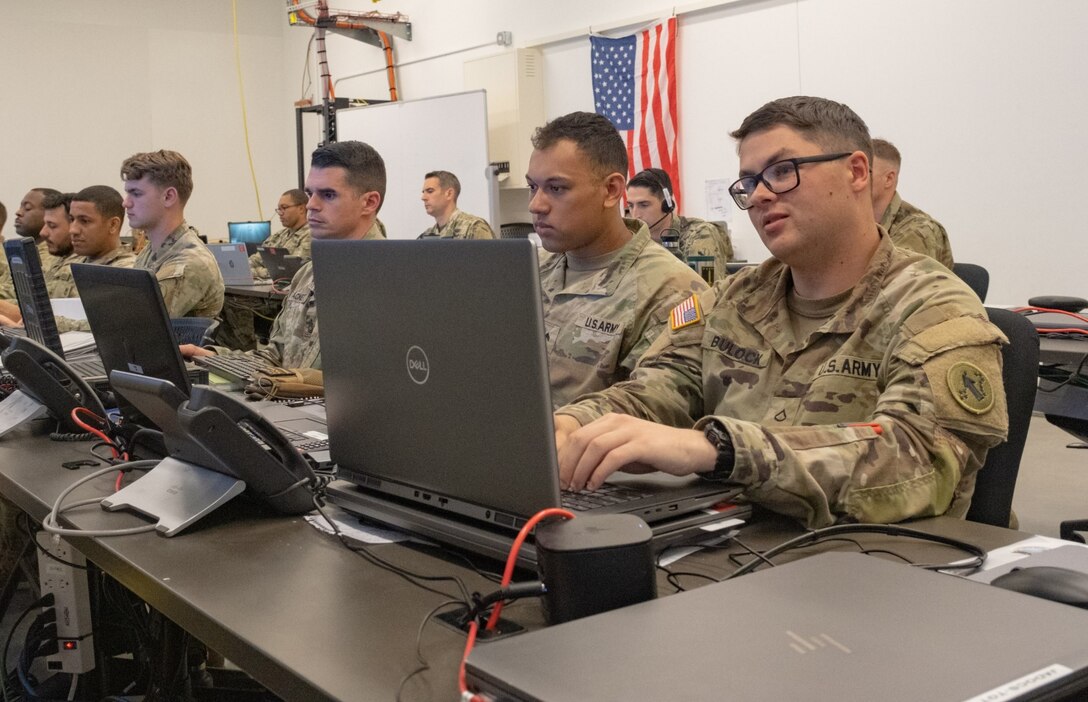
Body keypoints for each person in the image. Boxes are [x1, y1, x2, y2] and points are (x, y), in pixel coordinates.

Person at [554, 96, 1008, 528]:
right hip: (735, 547)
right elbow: (661, 386)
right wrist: (572, 424)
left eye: (782, 171)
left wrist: (718, 450)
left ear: (856, 172)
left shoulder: (934, 306)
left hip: (877, 570)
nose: (760, 196)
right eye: (749, 183)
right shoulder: (734, 298)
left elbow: (919, 458)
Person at [527, 112, 708, 408]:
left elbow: (656, 404)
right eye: (533, 187)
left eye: (556, 188)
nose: (536, 205)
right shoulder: (531, 269)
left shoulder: (671, 291)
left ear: (611, 190)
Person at [182, 141, 388, 370]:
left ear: (369, 202)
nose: (311, 205)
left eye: (328, 195)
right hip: (285, 403)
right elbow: (274, 358)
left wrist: (285, 385)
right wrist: (210, 358)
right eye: (310, 193)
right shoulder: (307, 275)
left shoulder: (392, 281)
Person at [121, 150, 224, 318]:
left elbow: (133, 320)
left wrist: (66, 324)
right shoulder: (151, 251)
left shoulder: (189, 262)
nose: (126, 202)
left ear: (168, 197)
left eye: (136, 193)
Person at [213, 189, 313, 351]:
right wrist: (251, 269)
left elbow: (290, 271)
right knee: (222, 295)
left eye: (284, 208)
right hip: (270, 294)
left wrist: (257, 271)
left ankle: (243, 350)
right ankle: (232, 351)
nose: (280, 213)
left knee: (233, 301)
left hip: (286, 299)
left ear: (302, 208)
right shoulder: (279, 236)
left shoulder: (311, 235)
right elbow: (253, 261)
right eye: (278, 209)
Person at [626, 167, 734, 280]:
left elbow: (705, 292)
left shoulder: (700, 235)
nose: (635, 215)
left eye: (644, 205)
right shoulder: (635, 240)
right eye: (631, 206)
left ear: (667, 205)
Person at [871, 138, 954, 269]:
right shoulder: (854, 222)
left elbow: (892, 284)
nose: (855, 178)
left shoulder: (919, 230)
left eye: (866, 172)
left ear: (888, 179)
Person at [0, 188, 62, 301]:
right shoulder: (23, 250)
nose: (18, 212)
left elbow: (19, 294)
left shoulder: (52, 255)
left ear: (49, 214)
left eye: (27, 208)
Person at [418, 171, 494, 239]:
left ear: (449, 194)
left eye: (430, 191)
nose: (423, 197)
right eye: (423, 192)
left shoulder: (474, 228)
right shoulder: (426, 237)